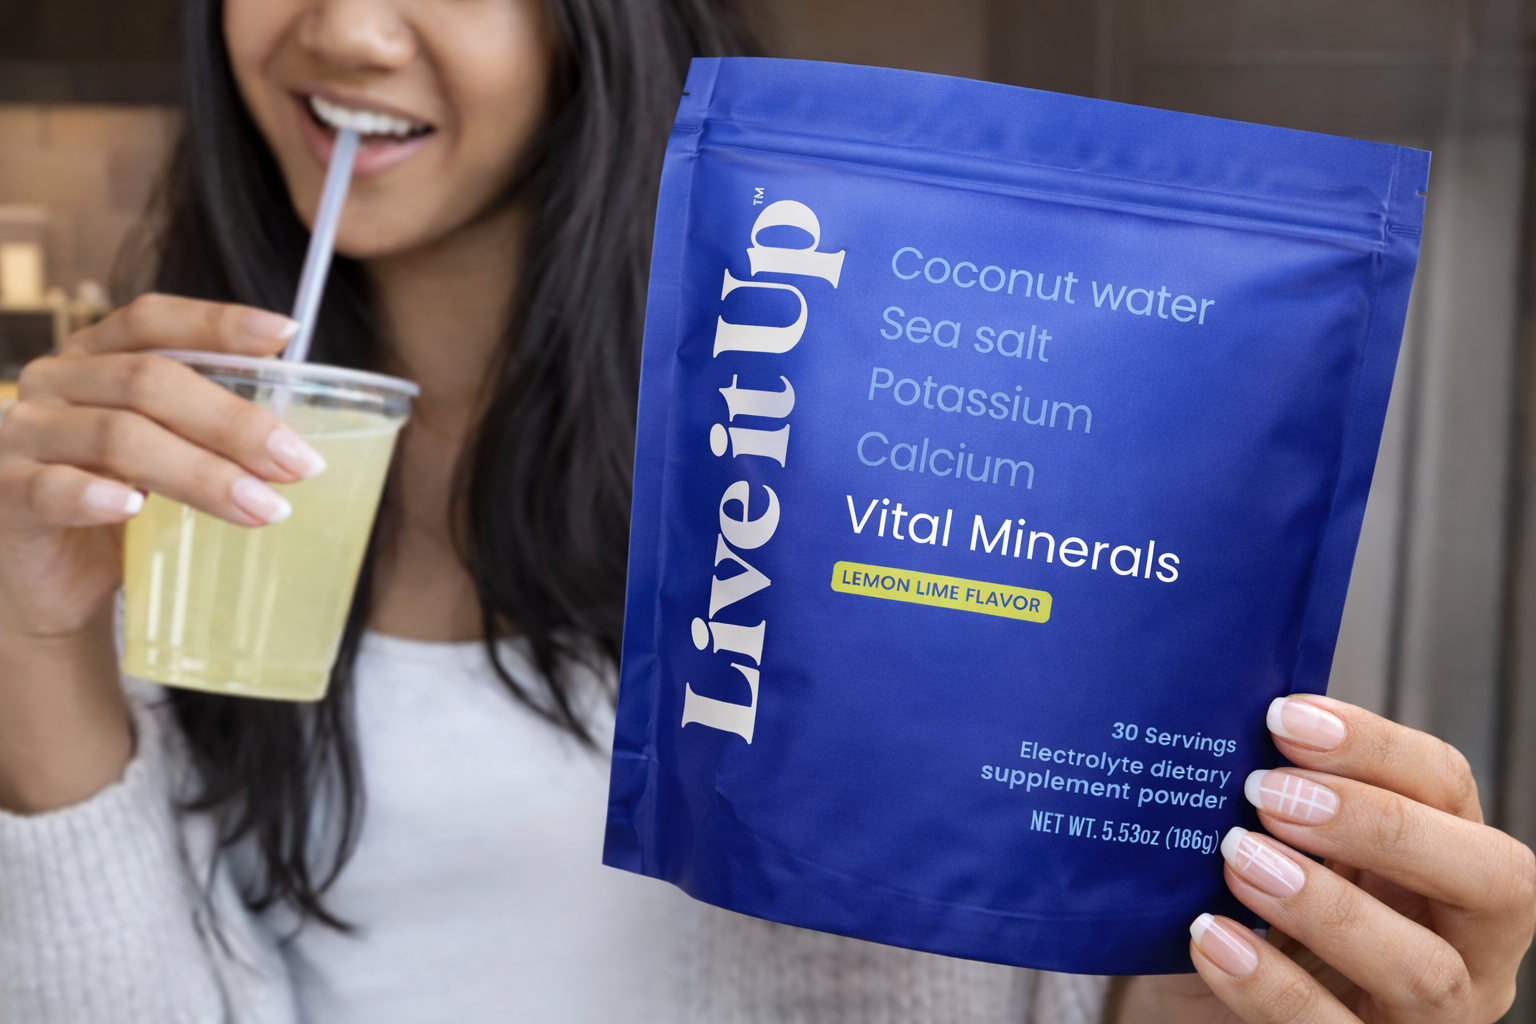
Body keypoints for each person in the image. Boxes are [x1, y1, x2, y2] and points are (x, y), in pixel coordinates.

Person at [0, 0, 1529, 1021]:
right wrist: (36, 651)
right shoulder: (142, 476)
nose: (339, 22)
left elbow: (1048, 964)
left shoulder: (872, 439)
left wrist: (1223, 979)